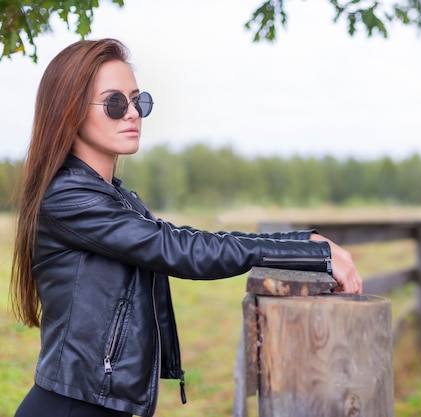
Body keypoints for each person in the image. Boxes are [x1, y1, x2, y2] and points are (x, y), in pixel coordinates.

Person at [10, 38, 363, 417]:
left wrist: (302, 240)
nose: (132, 113)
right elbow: (179, 251)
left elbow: (189, 239)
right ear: (70, 111)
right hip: (70, 407)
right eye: (114, 103)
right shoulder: (69, 198)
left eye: (138, 100)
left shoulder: (116, 198)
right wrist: (314, 254)